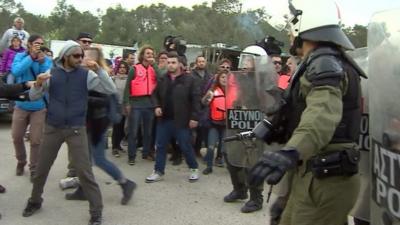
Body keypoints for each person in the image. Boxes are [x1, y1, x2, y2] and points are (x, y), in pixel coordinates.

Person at [248, 1, 366, 225]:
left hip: (325, 177)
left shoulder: (325, 63)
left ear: (303, 23)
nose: (290, 35)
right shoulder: (319, 61)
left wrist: (291, 152)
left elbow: (321, 115)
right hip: (313, 171)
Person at [22, 40, 116, 225]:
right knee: (41, 170)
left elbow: (109, 89)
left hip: (76, 128)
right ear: (65, 56)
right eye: (76, 56)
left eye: (81, 55)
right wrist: (38, 84)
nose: (80, 59)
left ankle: (96, 213)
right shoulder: (52, 74)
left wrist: (99, 70)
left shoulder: (86, 75)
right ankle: (34, 201)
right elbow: (34, 96)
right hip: (53, 128)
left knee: (85, 172)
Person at [65, 47, 136, 206]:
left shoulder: (98, 75)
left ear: (97, 60)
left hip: (98, 123)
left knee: (99, 159)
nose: (85, 59)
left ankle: (126, 183)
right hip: (85, 122)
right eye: (84, 56)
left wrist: (97, 73)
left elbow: (109, 93)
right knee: (85, 159)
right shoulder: (79, 73)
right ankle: (83, 189)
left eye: (89, 57)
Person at [145, 51, 200, 183]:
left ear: (180, 64)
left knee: (185, 145)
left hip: (182, 120)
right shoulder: (163, 79)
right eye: (168, 62)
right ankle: (158, 171)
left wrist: (194, 117)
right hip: (164, 120)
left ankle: (193, 168)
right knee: (161, 146)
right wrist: (157, 106)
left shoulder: (190, 80)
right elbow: (154, 95)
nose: (170, 65)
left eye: (173, 62)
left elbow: (196, 100)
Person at [10, 34, 52, 181]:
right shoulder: (20, 56)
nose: (39, 46)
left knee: (36, 140)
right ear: (28, 44)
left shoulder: (46, 59)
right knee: (16, 137)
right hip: (21, 104)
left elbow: (46, 76)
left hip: (39, 106)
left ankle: (34, 167)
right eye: (36, 43)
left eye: (41, 43)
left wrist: (41, 62)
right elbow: (16, 72)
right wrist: (31, 57)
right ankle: (21, 161)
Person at [123, 45, 158, 165]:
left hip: (149, 103)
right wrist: (126, 103)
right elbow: (127, 87)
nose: (150, 56)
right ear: (142, 55)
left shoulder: (154, 68)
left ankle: (146, 153)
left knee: (148, 131)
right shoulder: (134, 69)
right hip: (136, 103)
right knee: (133, 131)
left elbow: (161, 78)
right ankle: (131, 156)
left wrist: (155, 65)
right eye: (148, 54)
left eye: (152, 54)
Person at [201, 71, 229, 174]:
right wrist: (209, 96)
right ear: (218, 79)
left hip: (226, 125)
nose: (224, 79)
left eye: (226, 77)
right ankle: (209, 166)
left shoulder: (232, 92)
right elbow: (204, 102)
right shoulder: (213, 90)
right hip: (214, 124)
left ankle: (230, 167)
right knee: (211, 146)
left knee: (225, 148)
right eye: (222, 77)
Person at [191, 56, 213, 157]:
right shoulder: (191, 75)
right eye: (199, 61)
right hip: (194, 103)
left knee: (202, 129)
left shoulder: (210, 76)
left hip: (205, 105)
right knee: (192, 129)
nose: (201, 63)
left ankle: (197, 149)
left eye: (203, 61)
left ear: (205, 63)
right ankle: (190, 149)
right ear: (196, 63)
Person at [111, 61, 129, 157]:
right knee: (116, 127)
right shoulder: (113, 79)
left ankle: (118, 145)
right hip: (116, 106)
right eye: (120, 67)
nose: (122, 69)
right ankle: (114, 147)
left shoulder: (128, 80)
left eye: (124, 67)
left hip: (125, 106)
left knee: (123, 128)